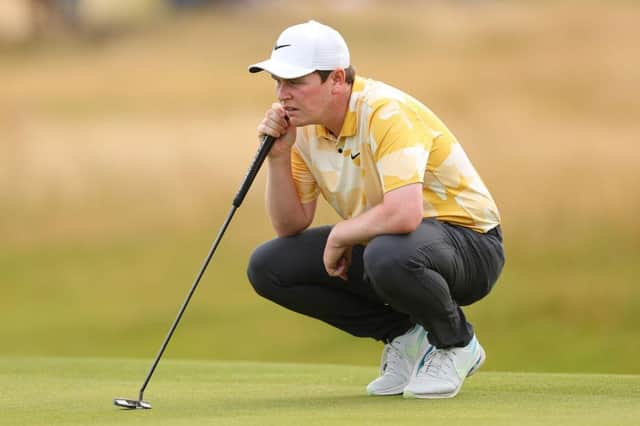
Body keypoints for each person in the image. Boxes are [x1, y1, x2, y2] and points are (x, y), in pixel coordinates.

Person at [246, 20, 505, 399]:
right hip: (394, 242)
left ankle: (456, 344)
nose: (282, 94)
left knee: (388, 253)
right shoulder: (308, 129)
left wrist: (340, 234)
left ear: (336, 79)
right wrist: (279, 158)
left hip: (470, 245)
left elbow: (404, 214)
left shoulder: (386, 112)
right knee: (269, 265)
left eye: (295, 82)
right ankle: (406, 337)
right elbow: (290, 224)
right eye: (278, 82)